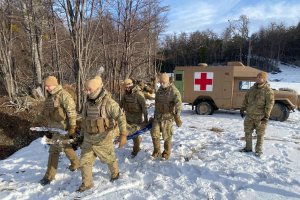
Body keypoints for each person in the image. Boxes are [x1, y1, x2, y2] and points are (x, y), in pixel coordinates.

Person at [78, 76, 127, 192]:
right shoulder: (86, 104)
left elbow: (121, 117)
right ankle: (87, 183)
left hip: (103, 139)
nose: (87, 92)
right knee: (85, 161)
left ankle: (115, 174)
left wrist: (123, 134)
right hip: (89, 139)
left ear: (96, 89)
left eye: (89, 90)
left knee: (109, 159)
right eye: (86, 90)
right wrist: (81, 137)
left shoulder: (109, 103)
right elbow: (84, 122)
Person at [39, 76, 80, 185]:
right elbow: (48, 115)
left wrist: (72, 127)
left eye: (48, 85)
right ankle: (76, 164)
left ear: (54, 84)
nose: (47, 88)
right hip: (54, 128)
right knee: (66, 148)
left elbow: (71, 112)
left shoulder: (63, 95)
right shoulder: (49, 97)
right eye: (46, 86)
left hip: (63, 128)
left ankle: (49, 176)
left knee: (54, 151)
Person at [240, 71, 274, 157]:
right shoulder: (252, 89)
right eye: (257, 77)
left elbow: (269, 104)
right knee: (247, 132)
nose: (258, 78)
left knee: (260, 134)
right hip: (250, 115)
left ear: (264, 79)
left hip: (260, 117)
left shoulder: (268, 91)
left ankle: (258, 151)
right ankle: (248, 148)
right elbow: (246, 99)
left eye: (260, 77)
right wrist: (242, 108)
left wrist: (266, 116)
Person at [150, 73, 182, 160]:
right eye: (160, 82)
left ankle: (166, 153)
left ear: (168, 81)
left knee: (167, 136)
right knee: (154, 134)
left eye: (163, 82)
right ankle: (156, 151)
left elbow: (178, 103)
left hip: (167, 117)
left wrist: (178, 114)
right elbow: (157, 103)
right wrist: (154, 116)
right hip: (158, 117)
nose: (161, 84)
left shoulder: (173, 91)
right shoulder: (159, 90)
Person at [120, 78, 148, 157]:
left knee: (135, 134)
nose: (126, 89)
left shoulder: (138, 94)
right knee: (129, 133)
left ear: (131, 85)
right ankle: (138, 141)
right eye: (125, 87)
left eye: (127, 87)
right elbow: (120, 105)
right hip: (128, 116)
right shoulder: (125, 94)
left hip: (137, 117)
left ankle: (136, 149)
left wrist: (146, 119)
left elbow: (144, 107)